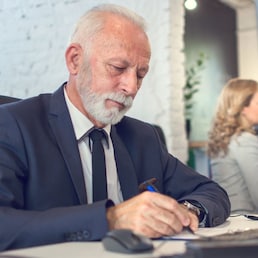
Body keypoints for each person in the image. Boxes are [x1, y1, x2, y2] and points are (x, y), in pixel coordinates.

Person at [0, 4, 230, 251]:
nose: (131, 87)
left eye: (140, 74)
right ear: (75, 60)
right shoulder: (14, 125)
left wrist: (184, 211)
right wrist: (111, 219)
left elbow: (211, 192)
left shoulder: (144, 137)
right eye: (118, 68)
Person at [207, 78, 258, 214]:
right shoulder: (244, 141)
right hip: (246, 220)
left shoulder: (228, 138)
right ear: (242, 108)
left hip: (229, 216)